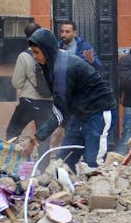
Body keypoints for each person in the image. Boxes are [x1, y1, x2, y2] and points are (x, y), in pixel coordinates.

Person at [20, 27, 116, 170]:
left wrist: (35, 139)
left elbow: (60, 108)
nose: (34, 56)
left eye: (36, 52)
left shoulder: (63, 67)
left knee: (93, 163)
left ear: (46, 50)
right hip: (80, 115)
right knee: (63, 162)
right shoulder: (50, 64)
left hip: (99, 113)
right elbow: (61, 101)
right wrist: (61, 126)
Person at [6, 22, 54, 160]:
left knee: (13, 131)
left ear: (27, 38)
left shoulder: (24, 56)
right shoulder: (51, 54)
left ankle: (16, 162)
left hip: (28, 102)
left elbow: (17, 82)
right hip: (47, 103)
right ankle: (42, 169)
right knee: (43, 137)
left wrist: (29, 80)